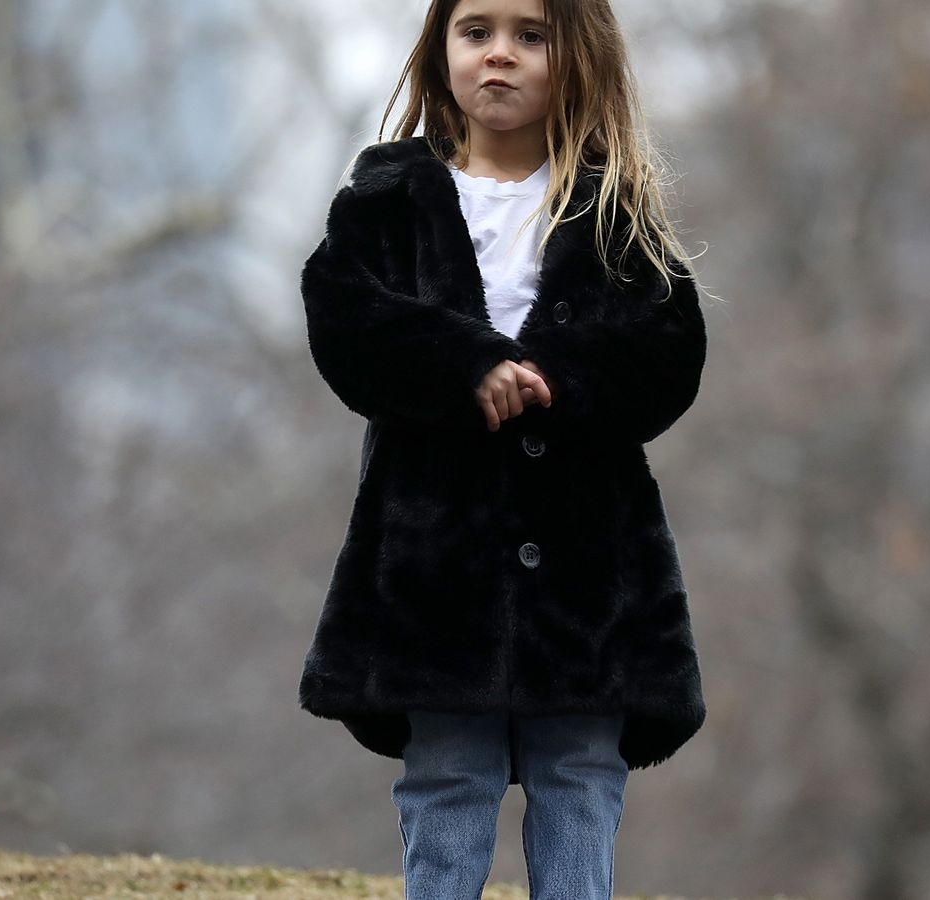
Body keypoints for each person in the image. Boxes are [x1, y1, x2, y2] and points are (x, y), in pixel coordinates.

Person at [296, 0, 711, 896]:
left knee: (579, 776)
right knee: (449, 776)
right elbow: (346, 320)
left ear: (578, 55)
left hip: (589, 573)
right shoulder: (386, 198)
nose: (501, 56)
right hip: (434, 563)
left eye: (532, 35)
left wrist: (555, 381)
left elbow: (670, 352)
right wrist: (464, 368)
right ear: (439, 49)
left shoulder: (613, 210)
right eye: (475, 31)